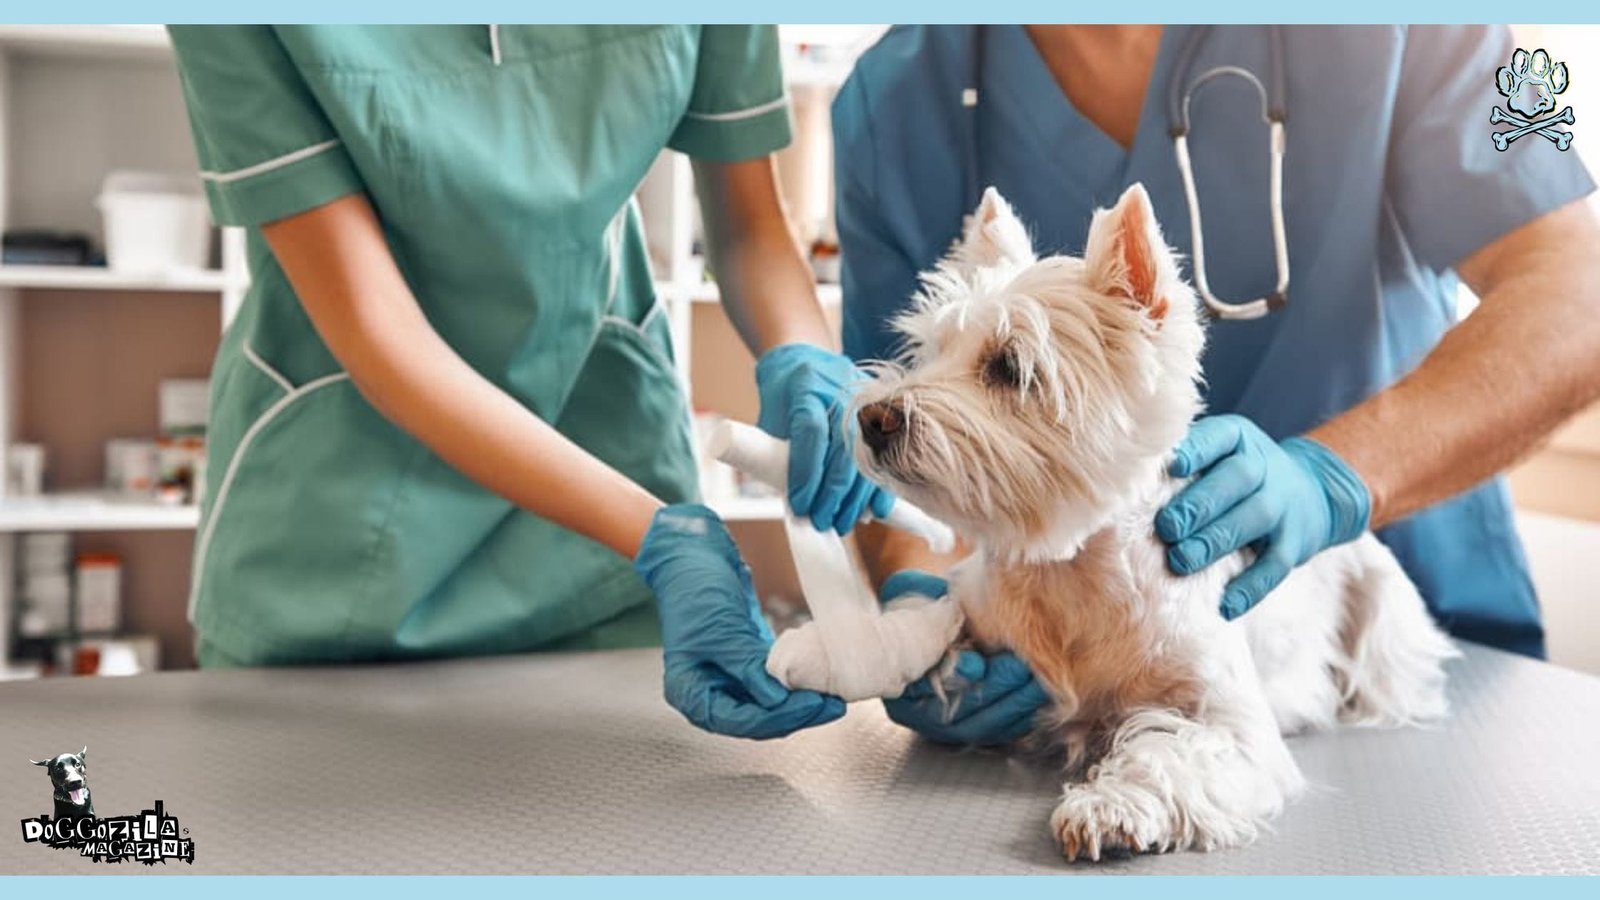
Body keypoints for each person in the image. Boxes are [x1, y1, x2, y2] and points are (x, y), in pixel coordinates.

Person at [833, 24, 1600, 745]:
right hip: (1063, 686)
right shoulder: (893, 97)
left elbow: (1581, 289)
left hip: (1401, 655)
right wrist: (923, 610)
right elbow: (894, 453)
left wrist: (1334, 480)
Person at [167, 25, 888, 740]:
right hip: (340, 538)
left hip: (607, 497)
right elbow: (377, 327)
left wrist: (806, 359)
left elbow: (751, 225)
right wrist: (655, 538)